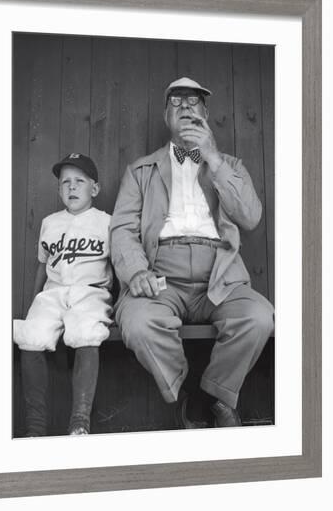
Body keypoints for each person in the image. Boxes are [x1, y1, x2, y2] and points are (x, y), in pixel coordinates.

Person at [110, 76, 274, 428]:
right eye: (176, 102)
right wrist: (137, 272)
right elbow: (122, 229)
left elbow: (251, 217)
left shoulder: (229, 165)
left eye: (193, 101)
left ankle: (212, 396)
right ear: (165, 116)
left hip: (220, 274)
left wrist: (213, 158)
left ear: (206, 113)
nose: (185, 107)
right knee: (138, 324)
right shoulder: (141, 171)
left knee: (259, 317)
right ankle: (188, 391)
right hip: (160, 276)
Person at [14, 153, 113, 436]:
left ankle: (79, 422)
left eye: (79, 181)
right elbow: (42, 267)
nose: (71, 187)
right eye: (65, 182)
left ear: (94, 189)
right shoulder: (50, 222)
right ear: (58, 190)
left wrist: (117, 303)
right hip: (54, 293)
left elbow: (117, 265)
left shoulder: (106, 222)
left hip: (91, 293)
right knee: (31, 334)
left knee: (86, 331)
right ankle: (35, 427)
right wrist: (35, 300)